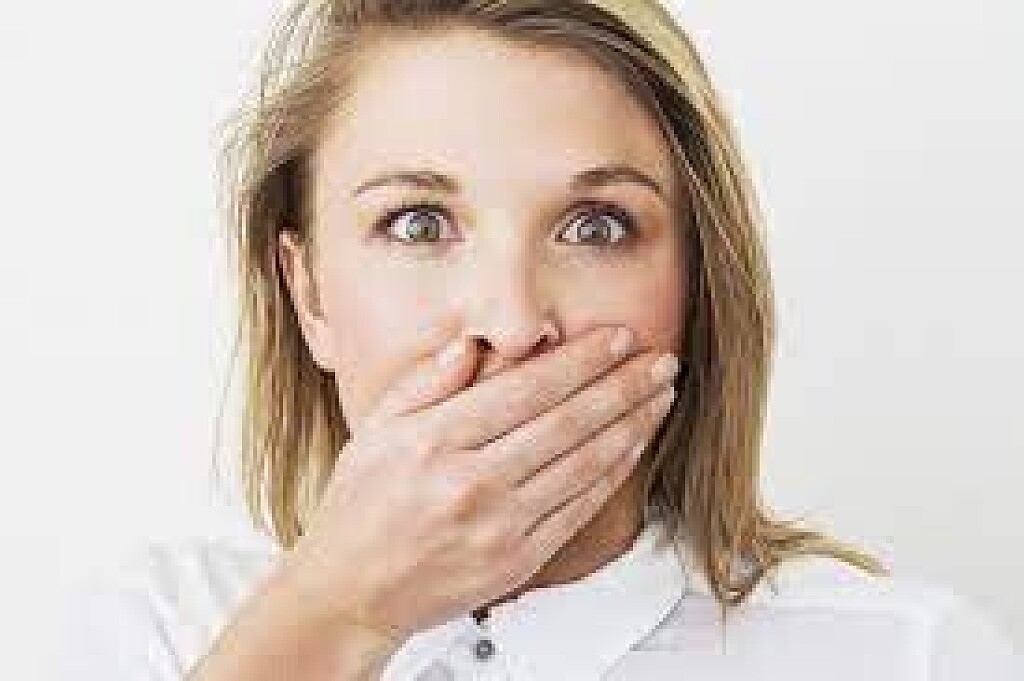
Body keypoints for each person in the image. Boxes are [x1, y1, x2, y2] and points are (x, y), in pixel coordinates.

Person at [58, 0, 1020, 679]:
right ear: (307, 293)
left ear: (696, 287)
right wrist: (336, 611)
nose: (514, 324)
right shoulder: (163, 632)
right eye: (418, 223)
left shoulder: (909, 656)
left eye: (595, 226)